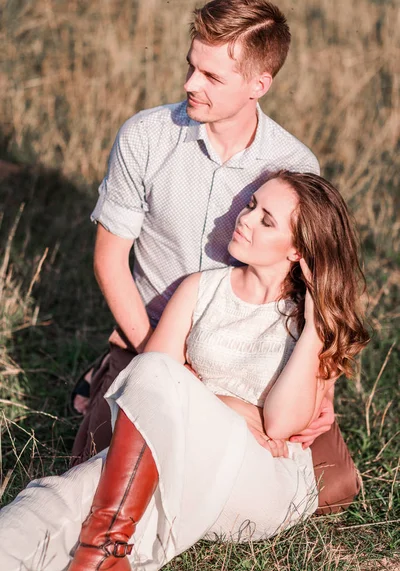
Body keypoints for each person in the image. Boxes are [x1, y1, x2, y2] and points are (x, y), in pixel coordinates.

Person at [0, 171, 369, 571]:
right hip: (177, 454)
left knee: (135, 420)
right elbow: (149, 381)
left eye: (267, 220)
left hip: (260, 482)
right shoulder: (201, 288)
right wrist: (235, 407)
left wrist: (312, 334)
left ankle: (102, 556)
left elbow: (281, 426)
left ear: (298, 250)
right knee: (78, 488)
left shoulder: (314, 322)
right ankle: (101, 559)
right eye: (251, 205)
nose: (246, 219)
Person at [70, 0, 356, 513]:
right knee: (102, 470)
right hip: (154, 340)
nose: (190, 84)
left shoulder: (294, 164)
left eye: (211, 75)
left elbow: (319, 280)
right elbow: (110, 262)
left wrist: (322, 388)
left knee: (331, 485)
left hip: (255, 353)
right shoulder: (147, 137)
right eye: (190, 65)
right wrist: (173, 369)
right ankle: (109, 371)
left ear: (258, 85)